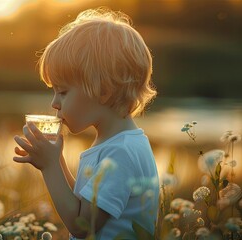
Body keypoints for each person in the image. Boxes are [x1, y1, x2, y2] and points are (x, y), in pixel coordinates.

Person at [13, 8, 159, 240]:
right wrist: (57, 160)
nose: (55, 103)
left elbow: (82, 225)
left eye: (62, 92)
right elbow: (83, 203)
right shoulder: (118, 143)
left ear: (103, 91)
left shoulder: (120, 153)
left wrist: (49, 167)